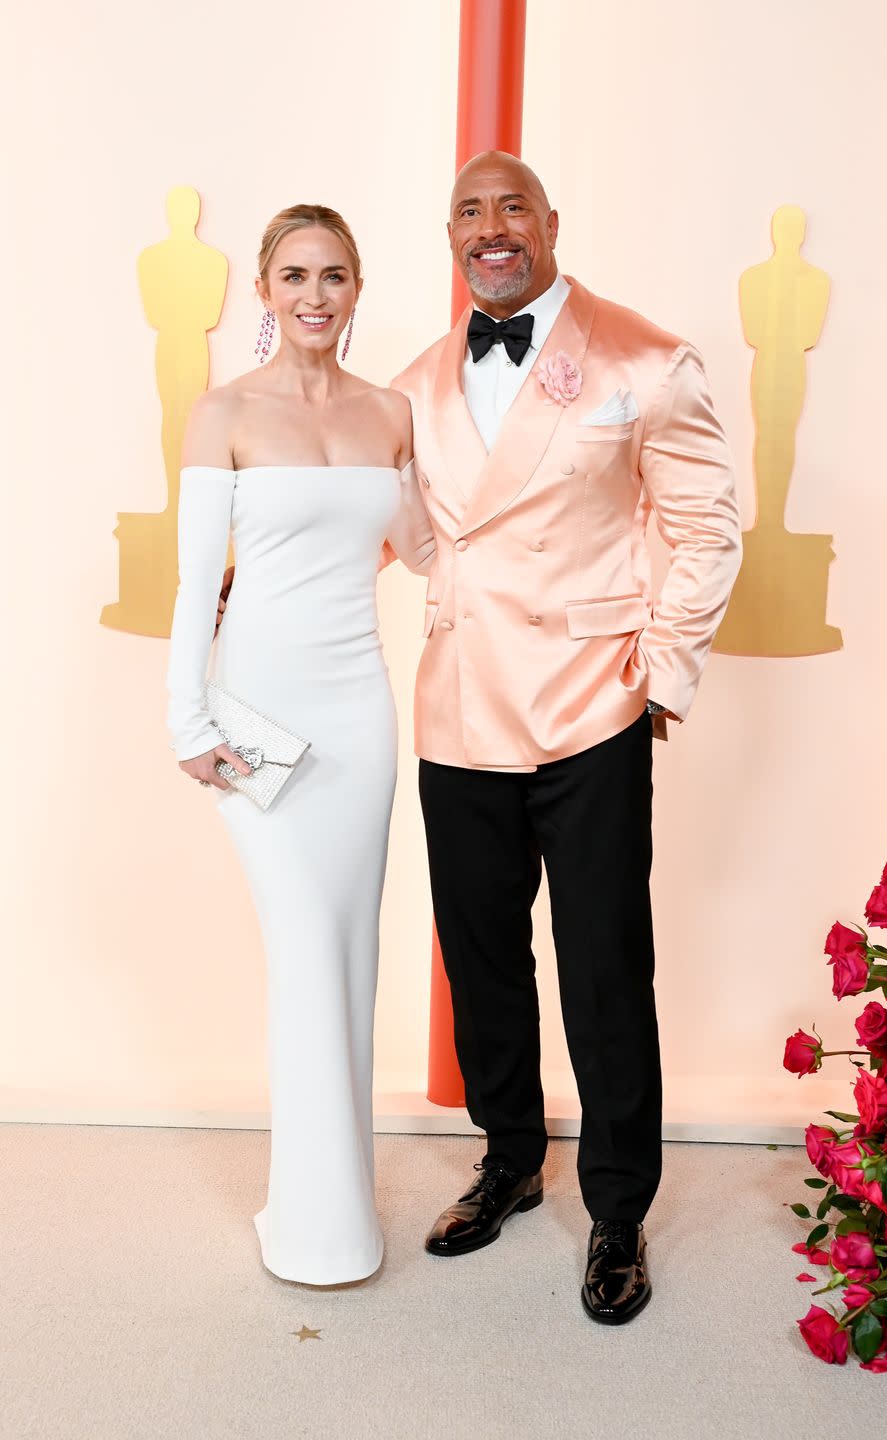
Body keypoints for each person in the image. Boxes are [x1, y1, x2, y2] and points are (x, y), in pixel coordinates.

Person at [392, 152, 742, 1324]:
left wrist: (661, 675)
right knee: (479, 957)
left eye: (511, 209)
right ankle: (507, 1159)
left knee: (603, 969)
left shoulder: (640, 353)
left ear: (550, 223)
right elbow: (389, 527)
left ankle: (617, 1208)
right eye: (468, 213)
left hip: (592, 703)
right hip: (460, 705)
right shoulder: (415, 383)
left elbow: (704, 528)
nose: (491, 230)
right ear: (450, 236)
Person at [166, 204, 434, 1285]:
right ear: (267, 293)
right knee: (302, 948)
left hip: (358, 717)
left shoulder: (393, 412)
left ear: (358, 290)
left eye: (333, 276)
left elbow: (416, 551)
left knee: (352, 950)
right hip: (254, 710)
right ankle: (309, 1220)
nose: (314, 295)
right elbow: (193, 587)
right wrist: (186, 721)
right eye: (293, 276)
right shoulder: (221, 412)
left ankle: (337, 1219)